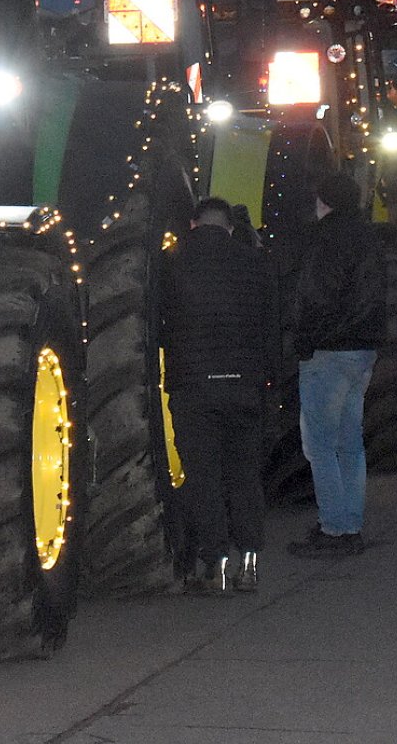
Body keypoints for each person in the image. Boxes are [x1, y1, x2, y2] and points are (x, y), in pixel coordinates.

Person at [160, 197, 278, 594]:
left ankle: (214, 566)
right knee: (244, 476)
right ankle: (250, 564)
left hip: (194, 388)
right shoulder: (253, 264)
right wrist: (267, 381)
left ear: (193, 225)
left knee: (204, 478)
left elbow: (162, 328)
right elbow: (271, 327)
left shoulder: (173, 265)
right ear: (230, 227)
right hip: (244, 386)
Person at [284, 171, 386, 560]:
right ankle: (349, 523)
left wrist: (303, 340)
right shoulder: (366, 236)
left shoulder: (325, 239)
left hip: (327, 352)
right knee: (350, 442)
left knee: (320, 445)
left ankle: (334, 526)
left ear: (323, 201)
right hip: (362, 349)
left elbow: (316, 295)